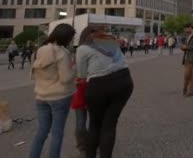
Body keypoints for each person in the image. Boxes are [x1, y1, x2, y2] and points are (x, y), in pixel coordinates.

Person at [77, 25, 133, 158]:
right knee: (110, 124)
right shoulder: (110, 41)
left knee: (95, 124)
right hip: (123, 80)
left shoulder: (83, 48)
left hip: (98, 85)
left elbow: (81, 75)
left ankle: (90, 155)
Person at [29, 23, 76, 158]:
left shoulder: (40, 50)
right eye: (71, 38)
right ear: (65, 37)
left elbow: (33, 74)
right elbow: (66, 78)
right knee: (57, 134)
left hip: (41, 96)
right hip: (60, 97)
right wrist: (75, 69)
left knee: (41, 132)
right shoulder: (62, 53)